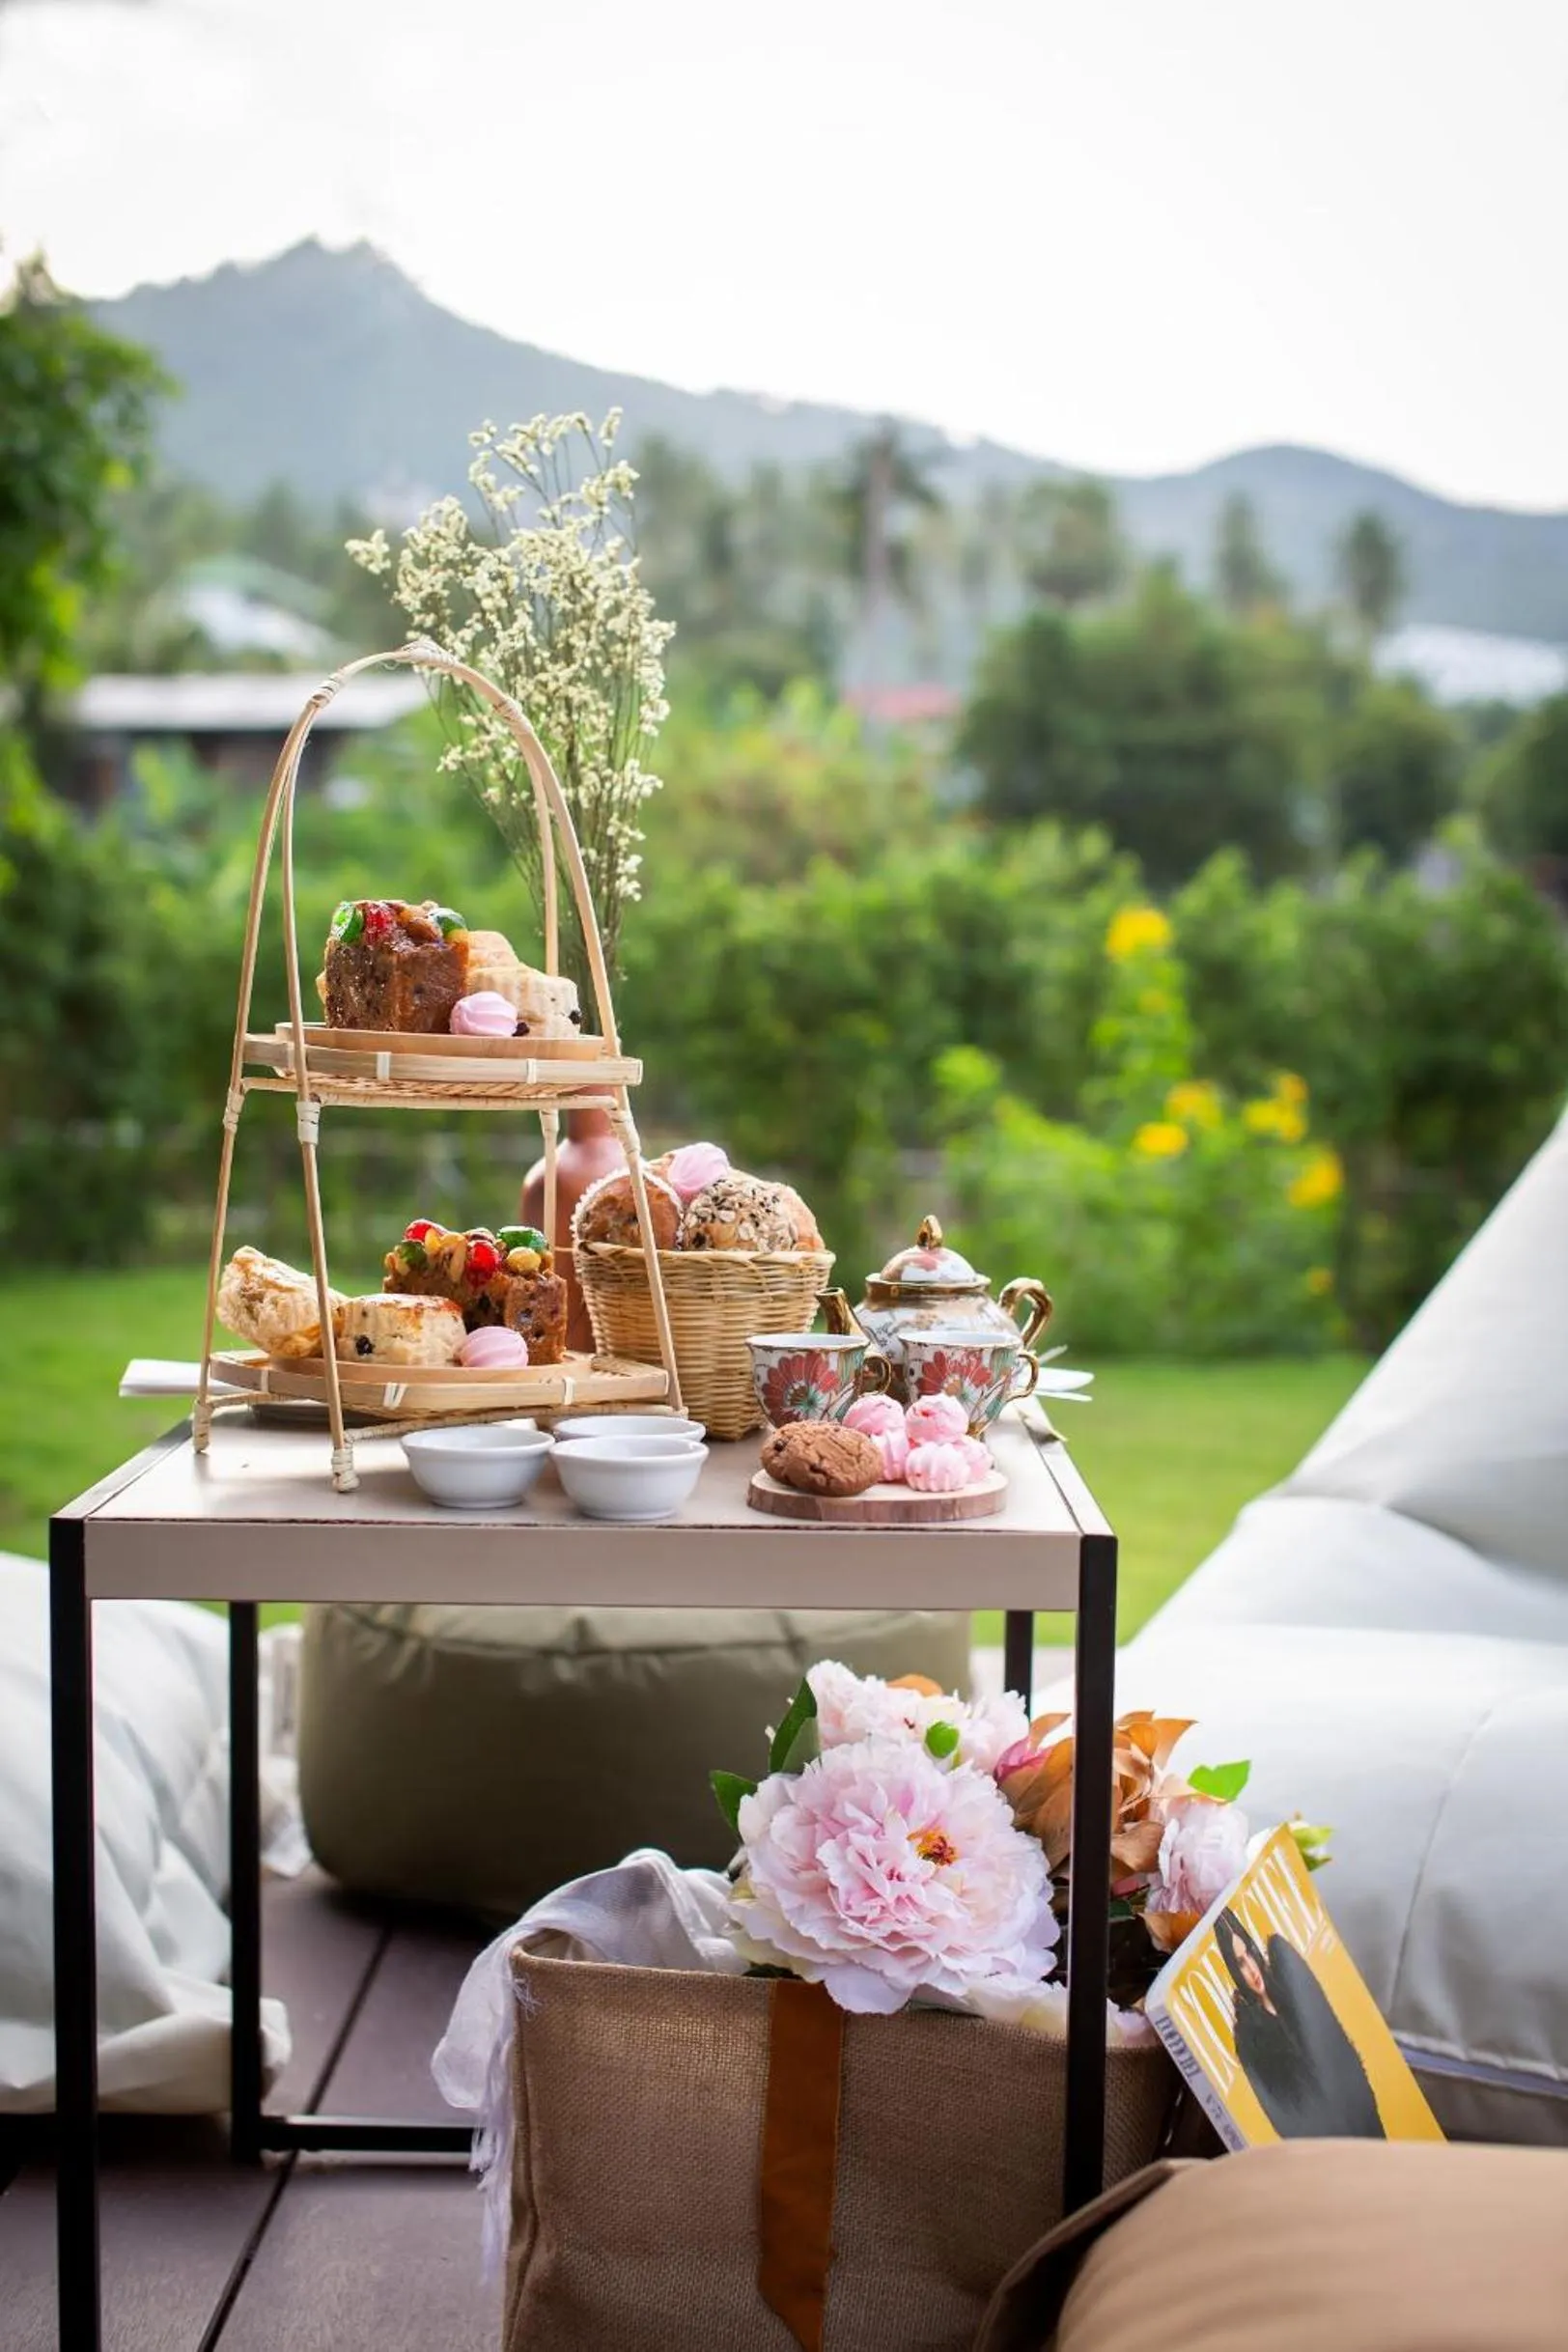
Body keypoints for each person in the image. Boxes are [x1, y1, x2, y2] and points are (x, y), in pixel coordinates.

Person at [1214, 1909, 1386, 2140]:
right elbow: (1280, 2112)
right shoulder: (1249, 2038)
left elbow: (1338, 2046)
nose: (1252, 1969)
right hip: (1327, 2145)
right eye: (1240, 1963)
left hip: (1362, 2119)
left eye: (1249, 1955)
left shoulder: (1290, 1989)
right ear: (1233, 1970)